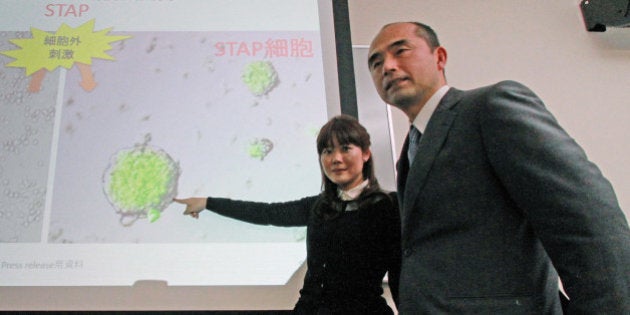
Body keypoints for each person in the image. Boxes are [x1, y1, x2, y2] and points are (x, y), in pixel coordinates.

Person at [367, 21, 630, 314]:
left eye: (400, 51)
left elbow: (588, 221)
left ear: (439, 57)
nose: (387, 67)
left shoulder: (490, 107)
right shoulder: (410, 150)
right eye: (375, 63)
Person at [174, 114, 401, 314]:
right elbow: (266, 213)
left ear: (366, 153)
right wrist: (207, 203)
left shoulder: (388, 206)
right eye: (327, 151)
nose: (336, 159)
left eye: (345, 148)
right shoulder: (318, 207)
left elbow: (402, 275)